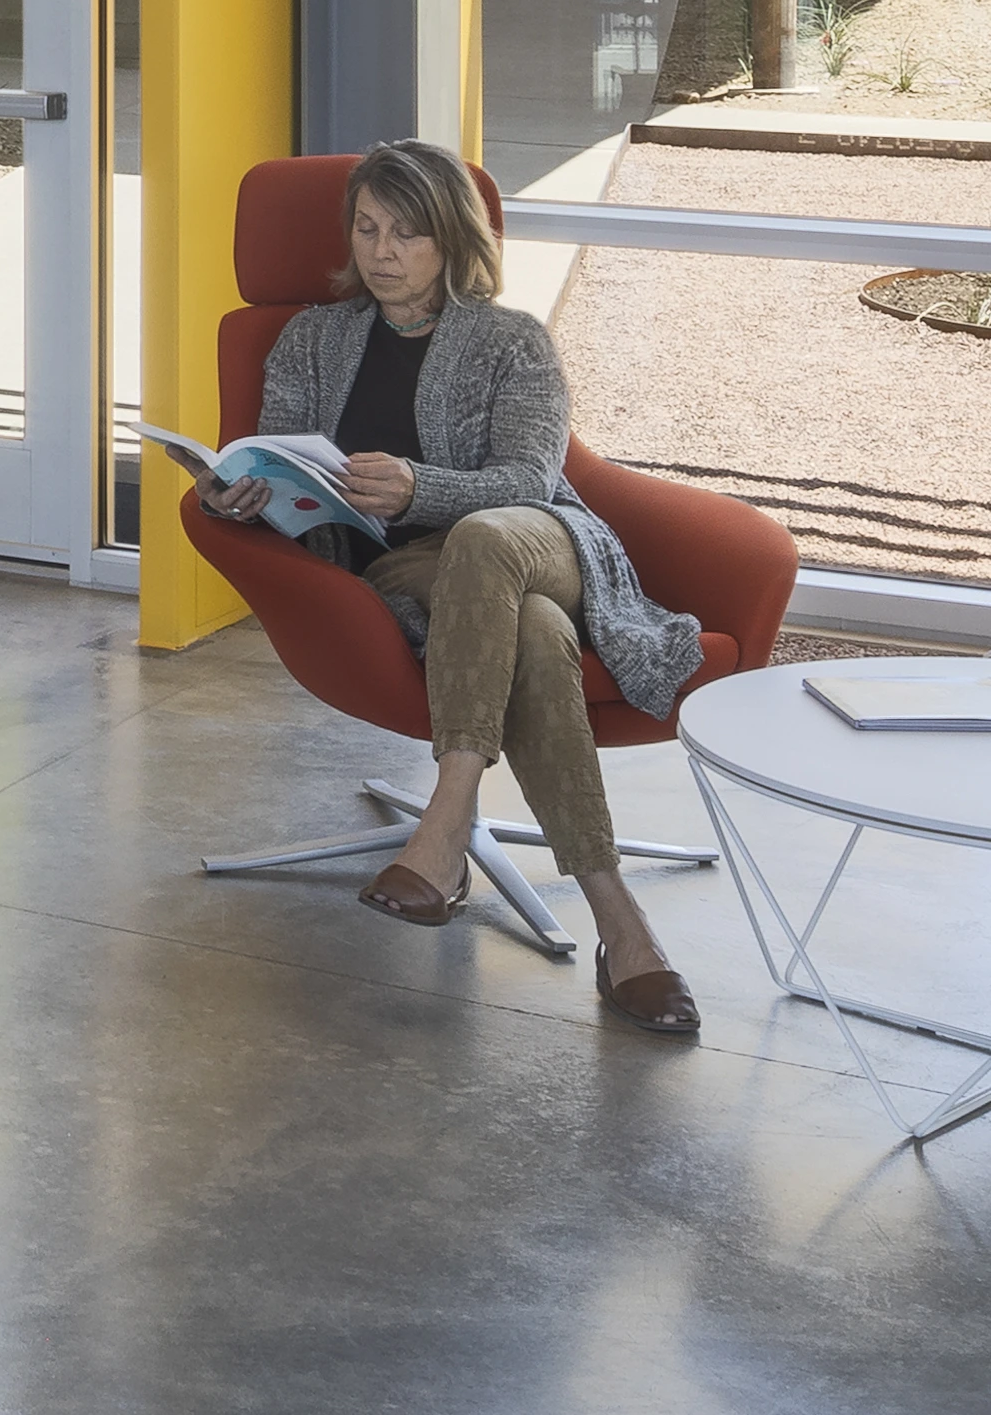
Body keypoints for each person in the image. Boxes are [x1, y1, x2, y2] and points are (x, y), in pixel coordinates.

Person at [249, 137, 711, 1037]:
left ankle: (447, 818)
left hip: (543, 542)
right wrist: (242, 490)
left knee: (486, 536)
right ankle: (623, 928)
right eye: (368, 227)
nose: (381, 251)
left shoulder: (512, 340)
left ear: (453, 240)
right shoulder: (310, 339)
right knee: (534, 638)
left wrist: (422, 486)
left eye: (407, 233)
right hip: (416, 574)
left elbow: (531, 479)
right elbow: (279, 464)